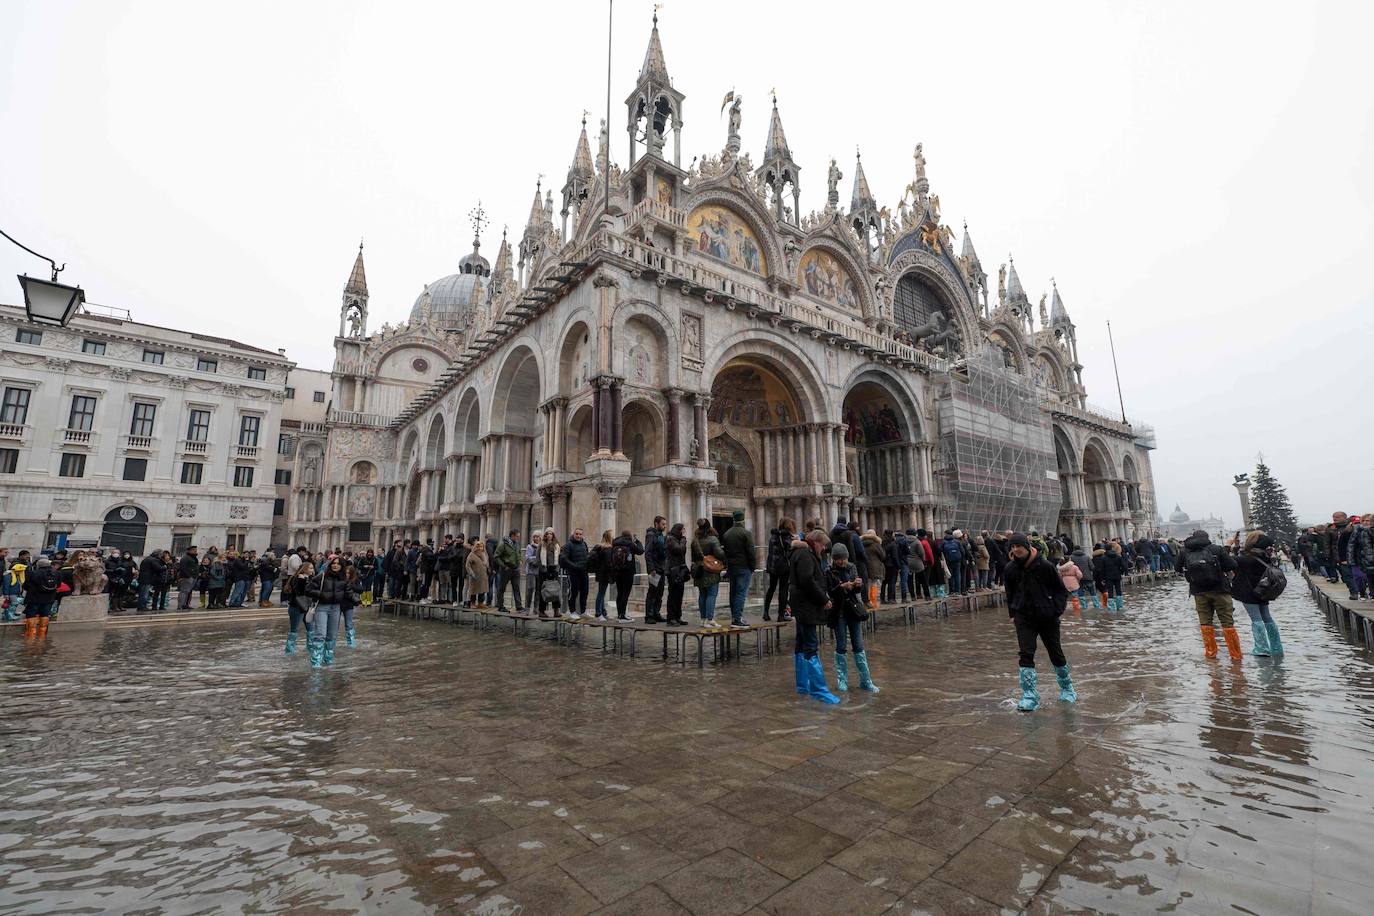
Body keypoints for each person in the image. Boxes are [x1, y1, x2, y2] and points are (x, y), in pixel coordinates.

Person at [1004, 533, 1076, 710]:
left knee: (1055, 653)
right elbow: (1010, 592)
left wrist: (1056, 611)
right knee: (1026, 654)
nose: (1015, 550)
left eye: (1017, 546)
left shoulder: (1045, 566)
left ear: (1027, 546)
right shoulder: (1010, 569)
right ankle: (1029, 695)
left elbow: (1060, 590)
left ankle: (1067, 688)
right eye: (1012, 547)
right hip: (1024, 617)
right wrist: (1013, 613)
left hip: (1047, 617)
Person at [789, 529, 840, 703]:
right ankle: (819, 690)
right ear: (816, 542)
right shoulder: (805, 554)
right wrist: (823, 599)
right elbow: (807, 580)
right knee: (810, 645)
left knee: (802, 644)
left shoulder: (801, 552)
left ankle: (803, 685)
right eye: (823, 545)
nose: (824, 549)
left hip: (802, 605)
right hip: (806, 606)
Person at [1177, 529, 1241, 661]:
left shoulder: (1185, 551)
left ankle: (1211, 654)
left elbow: (1177, 568)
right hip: (1220, 590)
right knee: (1227, 622)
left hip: (1199, 592)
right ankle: (1235, 656)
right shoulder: (1216, 549)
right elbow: (1232, 564)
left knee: (1205, 622)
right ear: (1207, 538)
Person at [826, 543, 880, 693]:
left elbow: (859, 588)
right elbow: (830, 591)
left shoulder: (852, 567)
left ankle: (866, 681)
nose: (841, 561)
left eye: (842, 558)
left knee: (858, 645)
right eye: (837, 559)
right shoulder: (829, 571)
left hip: (853, 610)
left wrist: (858, 584)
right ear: (833, 559)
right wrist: (841, 587)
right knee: (841, 645)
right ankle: (842, 680)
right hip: (839, 611)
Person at [1231, 531, 1285, 657]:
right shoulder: (1268, 557)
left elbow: (1229, 562)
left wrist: (1230, 546)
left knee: (1256, 619)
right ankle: (1276, 648)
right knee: (1267, 617)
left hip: (1249, 592)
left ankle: (1261, 648)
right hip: (1264, 590)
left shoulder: (1245, 560)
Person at [306, 556, 358, 667]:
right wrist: (321, 594)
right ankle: (316, 662)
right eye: (333, 563)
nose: (335, 565)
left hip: (336, 608)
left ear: (342, 566)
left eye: (338, 564)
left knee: (332, 635)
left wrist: (356, 600)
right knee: (320, 634)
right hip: (322, 607)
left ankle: (328, 659)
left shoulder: (344, 579)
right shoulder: (322, 576)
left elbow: (348, 593)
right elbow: (308, 589)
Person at [721, 509, 755, 627]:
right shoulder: (746, 533)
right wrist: (752, 566)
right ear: (743, 519)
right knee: (741, 593)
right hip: (743, 566)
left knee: (733, 593)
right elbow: (751, 551)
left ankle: (734, 617)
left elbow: (725, 552)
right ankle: (737, 618)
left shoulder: (727, 534)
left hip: (732, 567)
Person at [690, 518, 726, 628]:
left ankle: (703, 619)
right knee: (711, 594)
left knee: (702, 594)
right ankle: (710, 619)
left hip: (699, 570)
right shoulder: (713, 539)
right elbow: (720, 554)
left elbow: (693, 557)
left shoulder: (694, 541)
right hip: (710, 570)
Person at [763, 518, 796, 622]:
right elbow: (790, 548)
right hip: (783, 566)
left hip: (772, 565)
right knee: (783, 590)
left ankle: (765, 612)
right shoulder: (786, 536)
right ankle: (781, 615)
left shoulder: (774, 535)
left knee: (771, 588)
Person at [22, 556, 61, 639]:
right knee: (45, 614)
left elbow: (26, 586)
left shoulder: (33, 573)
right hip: (49, 598)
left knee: (31, 615)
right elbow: (59, 585)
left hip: (34, 598)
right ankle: (42, 635)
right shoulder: (57, 573)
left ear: (38, 565)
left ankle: (30, 634)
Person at [609, 529, 644, 621]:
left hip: (617, 571)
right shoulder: (630, 544)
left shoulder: (615, 543)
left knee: (619, 593)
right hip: (628, 572)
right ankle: (623, 615)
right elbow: (641, 551)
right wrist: (637, 541)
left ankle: (619, 614)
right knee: (625, 593)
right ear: (629, 536)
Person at [282, 561, 315, 655]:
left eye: (312, 568)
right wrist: (302, 580)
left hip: (308, 607)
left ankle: (311, 649)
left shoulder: (311, 578)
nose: (312, 570)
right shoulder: (296, 578)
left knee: (311, 629)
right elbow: (299, 592)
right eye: (310, 568)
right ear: (305, 569)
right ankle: (289, 651)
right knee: (294, 630)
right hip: (297, 607)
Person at [664, 522, 690, 626]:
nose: (684, 531)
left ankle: (678, 616)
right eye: (683, 529)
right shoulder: (670, 539)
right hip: (673, 570)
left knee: (679, 594)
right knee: (673, 594)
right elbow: (679, 550)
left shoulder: (678, 539)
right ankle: (671, 618)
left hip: (680, 570)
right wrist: (683, 540)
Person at [643, 517, 668, 624]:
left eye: (665, 524)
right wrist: (651, 568)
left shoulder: (660, 535)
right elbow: (647, 553)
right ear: (656, 524)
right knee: (652, 592)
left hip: (661, 568)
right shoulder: (651, 535)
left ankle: (656, 613)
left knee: (660, 592)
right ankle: (649, 616)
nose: (665, 526)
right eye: (663, 524)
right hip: (654, 569)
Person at [560, 528, 590, 616]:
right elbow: (564, 558)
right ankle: (572, 611)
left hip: (584, 572)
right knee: (573, 592)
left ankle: (583, 611)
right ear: (574, 534)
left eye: (580, 534)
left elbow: (586, 556)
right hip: (573, 573)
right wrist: (574, 566)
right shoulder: (568, 545)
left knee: (585, 592)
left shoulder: (584, 544)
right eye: (577, 534)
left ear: (582, 535)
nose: (578, 536)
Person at [534, 528, 563, 619]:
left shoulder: (557, 545)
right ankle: (542, 611)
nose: (549, 535)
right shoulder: (541, 545)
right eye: (547, 533)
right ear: (545, 535)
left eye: (551, 533)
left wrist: (557, 568)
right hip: (544, 569)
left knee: (555, 590)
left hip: (554, 569)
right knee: (543, 590)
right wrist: (542, 568)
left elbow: (559, 557)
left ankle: (556, 610)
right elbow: (538, 558)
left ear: (553, 535)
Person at [494, 529, 524, 614]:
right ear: (512, 536)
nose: (518, 538)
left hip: (515, 569)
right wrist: (503, 566)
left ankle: (519, 607)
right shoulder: (503, 544)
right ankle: (500, 606)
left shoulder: (517, 544)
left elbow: (518, 553)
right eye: (517, 536)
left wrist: (520, 560)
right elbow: (496, 556)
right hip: (506, 569)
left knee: (516, 588)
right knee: (502, 588)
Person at [1098, 541, 1129, 612]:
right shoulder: (1118, 557)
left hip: (1108, 577)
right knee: (1119, 591)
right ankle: (1120, 607)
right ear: (1112, 548)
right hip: (1117, 576)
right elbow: (1124, 567)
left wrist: (1102, 578)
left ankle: (1111, 608)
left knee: (1110, 592)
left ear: (1105, 549)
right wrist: (1121, 572)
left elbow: (1101, 570)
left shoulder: (1103, 558)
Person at [589, 530, 613, 619]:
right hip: (604, 573)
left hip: (600, 573)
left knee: (602, 593)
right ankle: (599, 613)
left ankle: (603, 612)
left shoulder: (600, 547)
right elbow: (608, 563)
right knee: (601, 593)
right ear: (609, 537)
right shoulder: (607, 548)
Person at [860, 529, 885, 607]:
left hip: (864, 566)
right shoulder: (876, 544)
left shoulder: (861, 544)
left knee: (866, 584)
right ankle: (873, 602)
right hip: (874, 566)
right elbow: (883, 556)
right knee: (874, 584)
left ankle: (866, 602)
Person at [905, 528, 930, 599]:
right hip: (917, 563)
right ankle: (927, 595)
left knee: (910, 580)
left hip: (907, 563)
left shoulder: (904, 541)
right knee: (923, 579)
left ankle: (913, 596)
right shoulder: (917, 541)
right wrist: (923, 560)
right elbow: (921, 553)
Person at [465, 540, 490, 609]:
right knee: (473, 590)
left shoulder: (485, 554)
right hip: (475, 575)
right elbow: (467, 565)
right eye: (478, 546)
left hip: (483, 575)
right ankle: (472, 603)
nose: (480, 548)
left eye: (481, 546)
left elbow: (486, 564)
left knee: (482, 589)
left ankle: (480, 603)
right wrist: (471, 573)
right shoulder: (472, 554)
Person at [176, 545, 200, 610]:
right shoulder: (185, 558)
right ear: (189, 550)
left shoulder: (193, 558)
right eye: (194, 550)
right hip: (187, 577)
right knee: (184, 591)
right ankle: (180, 605)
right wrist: (188, 576)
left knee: (188, 592)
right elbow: (183, 568)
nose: (195, 551)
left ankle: (185, 604)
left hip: (193, 577)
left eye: (196, 550)